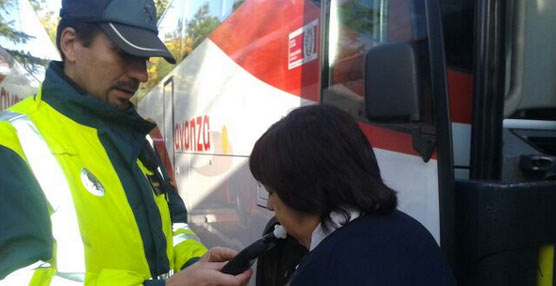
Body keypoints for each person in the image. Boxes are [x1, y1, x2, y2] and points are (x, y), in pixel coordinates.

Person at [0, 0, 251, 285]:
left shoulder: (139, 138)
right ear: (70, 44)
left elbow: (174, 225)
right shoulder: (10, 141)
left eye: (144, 59)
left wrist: (195, 262)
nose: (141, 75)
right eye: (124, 53)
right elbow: (16, 278)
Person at [249, 104, 456, 285]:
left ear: (302, 190)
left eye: (271, 191)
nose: (269, 205)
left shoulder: (323, 271)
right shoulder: (412, 231)